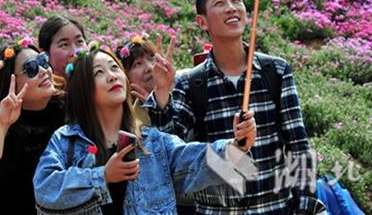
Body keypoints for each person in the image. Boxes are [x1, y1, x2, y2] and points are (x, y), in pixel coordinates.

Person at [143, 0, 323, 214]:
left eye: (236, 0)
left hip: (276, 208)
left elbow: (298, 146)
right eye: (219, 3)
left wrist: (304, 207)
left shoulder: (276, 71)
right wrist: (163, 93)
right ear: (202, 22)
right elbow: (171, 155)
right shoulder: (191, 82)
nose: (231, 8)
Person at [33, 42, 257, 214]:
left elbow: (194, 159)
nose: (112, 76)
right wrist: (102, 176)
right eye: (99, 73)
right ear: (84, 90)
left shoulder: (152, 141)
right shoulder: (67, 140)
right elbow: (44, 188)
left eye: (114, 68)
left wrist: (236, 145)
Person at [0, 39, 66, 214]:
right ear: (10, 83)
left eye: (43, 61)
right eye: (31, 68)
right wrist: (2, 125)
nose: (43, 71)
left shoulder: (71, 109)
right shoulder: (0, 130)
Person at [115, 34, 176, 126]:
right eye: (138, 64)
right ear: (126, 77)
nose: (149, 68)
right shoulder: (129, 120)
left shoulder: (183, 89)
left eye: (151, 58)